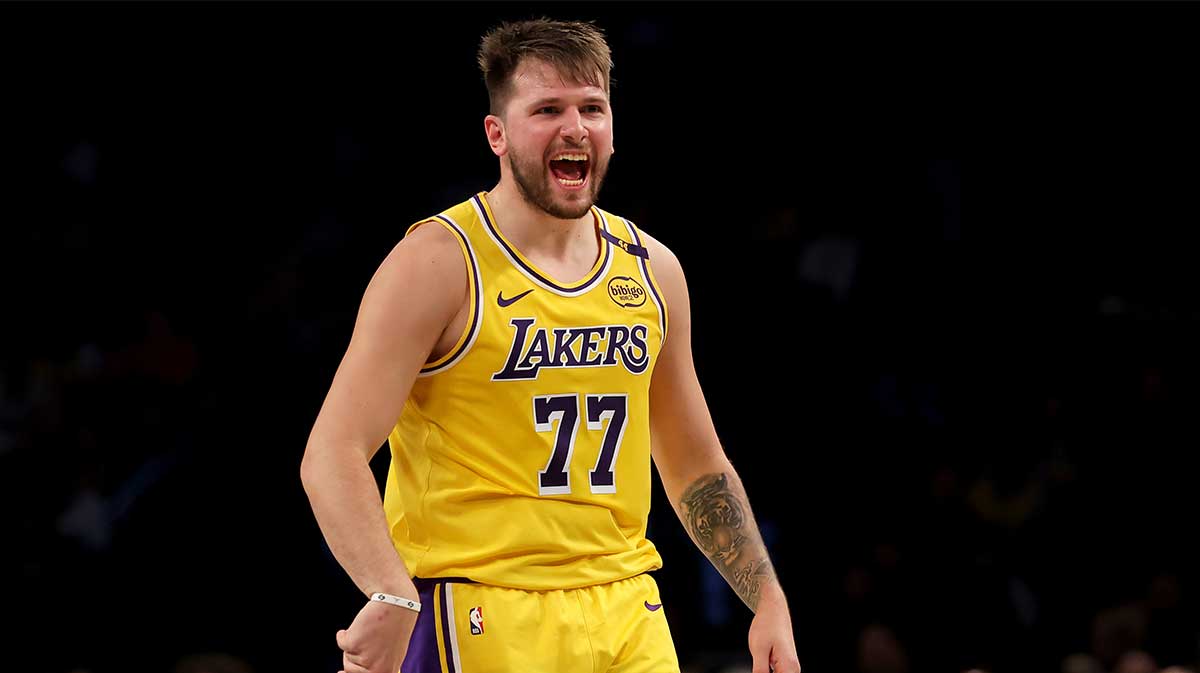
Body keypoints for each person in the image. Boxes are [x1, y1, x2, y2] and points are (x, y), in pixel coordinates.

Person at [300, 18, 800, 673]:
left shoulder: (652, 269)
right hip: (480, 611)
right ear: (497, 135)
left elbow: (693, 461)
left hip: (627, 609)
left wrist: (766, 596)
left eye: (593, 108)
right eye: (547, 110)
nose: (575, 127)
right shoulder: (437, 262)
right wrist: (389, 588)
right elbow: (330, 452)